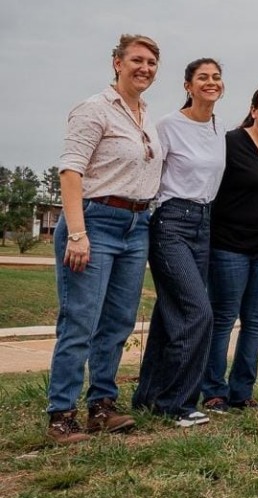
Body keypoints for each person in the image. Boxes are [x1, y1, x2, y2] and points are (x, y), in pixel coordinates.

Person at [46, 34, 162, 445]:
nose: (144, 68)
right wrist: (77, 233)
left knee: (117, 323)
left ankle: (102, 406)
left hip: (136, 225)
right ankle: (61, 415)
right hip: (95, 221)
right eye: (136, 60)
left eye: (151, 62)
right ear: (117, 62)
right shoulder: (94, 110)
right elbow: (71, 172)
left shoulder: (145, 115)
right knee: (80, 320)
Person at [131, 58, 225, 428]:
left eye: (216, 77)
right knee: (198, 312)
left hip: (204, 223)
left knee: (170, 314)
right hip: (171, 222)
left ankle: (149, 396)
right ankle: (178, 404)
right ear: (188, 85)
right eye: (203, 77)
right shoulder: (169, 126)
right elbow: (148, 171)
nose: (211, 82)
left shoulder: (219, 126)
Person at [200, 84, 258, 413]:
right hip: (228, 247)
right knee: (223, 319)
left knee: (256, 322)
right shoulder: (230, 143)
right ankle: (213, 390)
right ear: (254, 110)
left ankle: (242, 391)